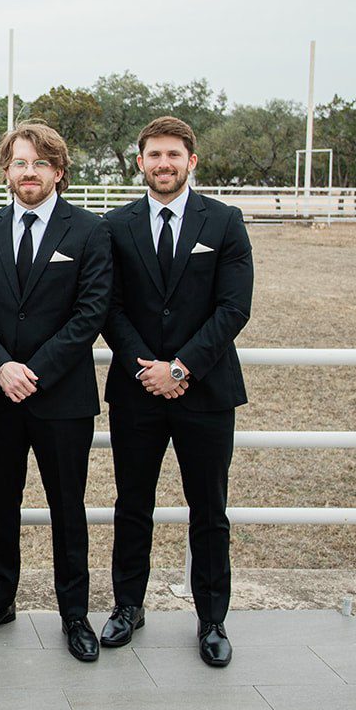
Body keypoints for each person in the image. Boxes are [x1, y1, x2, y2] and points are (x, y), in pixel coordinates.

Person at [101, 115, 253, 668]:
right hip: (137, 390)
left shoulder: (226, 222)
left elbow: (234, 308)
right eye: (153, 155)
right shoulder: (115, 226)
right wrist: (148, 368)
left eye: (173, 154)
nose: (163, 164)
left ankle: (212, 619)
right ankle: (127, 606)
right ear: (139, 162)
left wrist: (182, 368)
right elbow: (108, 307)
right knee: (132, 504)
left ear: (192, 160)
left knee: (208, 509)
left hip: (207, 392)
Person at [0, 122, 113, 661]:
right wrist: (2, 366)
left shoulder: (90, 231)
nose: (29, 173)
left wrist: (36, 371)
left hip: (62, 398)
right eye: (20, 163)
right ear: (7, 171)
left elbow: (90, 312)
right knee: (2, 501)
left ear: (59, 172)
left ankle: (75, 613)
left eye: (40, 164)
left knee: (66, 506)